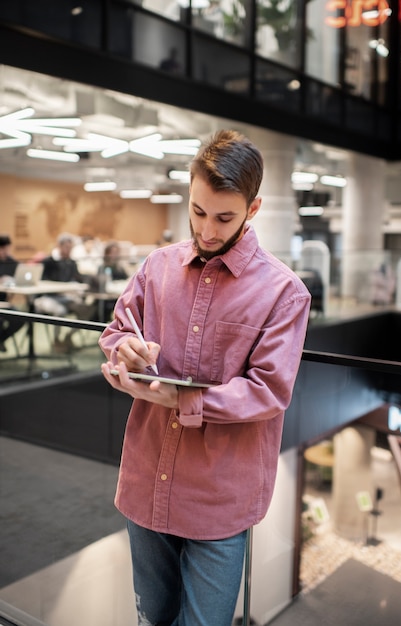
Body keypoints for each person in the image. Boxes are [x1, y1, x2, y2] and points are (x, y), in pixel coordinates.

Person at [99, 130, 311, 626]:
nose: (208, 230)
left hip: (219, 499)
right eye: (197, 212)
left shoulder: (284, 293)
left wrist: (183, 400)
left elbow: (269, 390)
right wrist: (123, 349)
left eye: (224, 217)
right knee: (152, 618)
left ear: (253, 208)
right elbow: (117, 330)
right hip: (146, 481)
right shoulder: (157, 266)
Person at [35, 233, 92, 349]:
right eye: (66, 247)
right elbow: (42, 281)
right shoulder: (48, 262)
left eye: (70, 248)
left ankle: (68, 336)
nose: (69, 250)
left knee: (85, 309)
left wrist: (89, 280)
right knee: (60, 311)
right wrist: (62, 288)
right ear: (59, 246)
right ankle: (56, 341)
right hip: (48, 297)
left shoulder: (71, 262)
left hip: (66, 297)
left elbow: (78, 277)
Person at [0, 234, 26, 352]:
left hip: (4, 302)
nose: (6, 252)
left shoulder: (12, 262)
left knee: (20, 318)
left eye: (7, 249)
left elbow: (22, 275)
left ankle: (1, 339)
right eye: (3, 249)